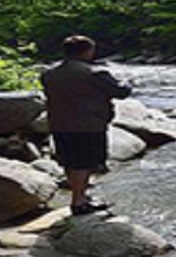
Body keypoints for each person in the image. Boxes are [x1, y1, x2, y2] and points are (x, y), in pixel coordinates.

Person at [41, 35, 133, 216]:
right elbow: (121, 92)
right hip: (88, 124)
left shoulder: (49, 74)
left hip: (59, 124)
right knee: (85, 163)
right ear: (87, 51)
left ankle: (80, 197)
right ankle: (79, 201)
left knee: (70, 162)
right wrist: (128, 82)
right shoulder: (95, 73)